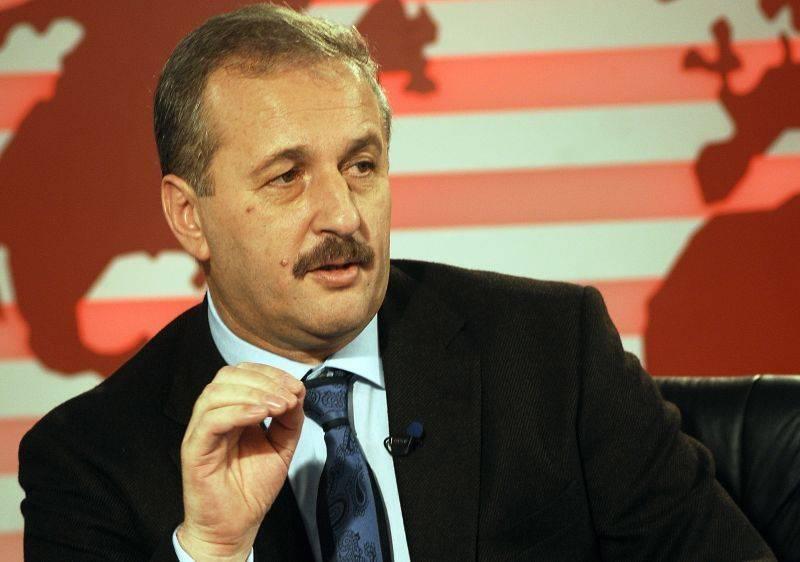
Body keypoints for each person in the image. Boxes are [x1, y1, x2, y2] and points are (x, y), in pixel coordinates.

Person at [18, 4, 774, 561]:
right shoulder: (89, 461)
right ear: (189, 216)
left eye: (361, 165)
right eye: (286, 177)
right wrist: (213, 550)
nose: (343, 215)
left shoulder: (552, 352)